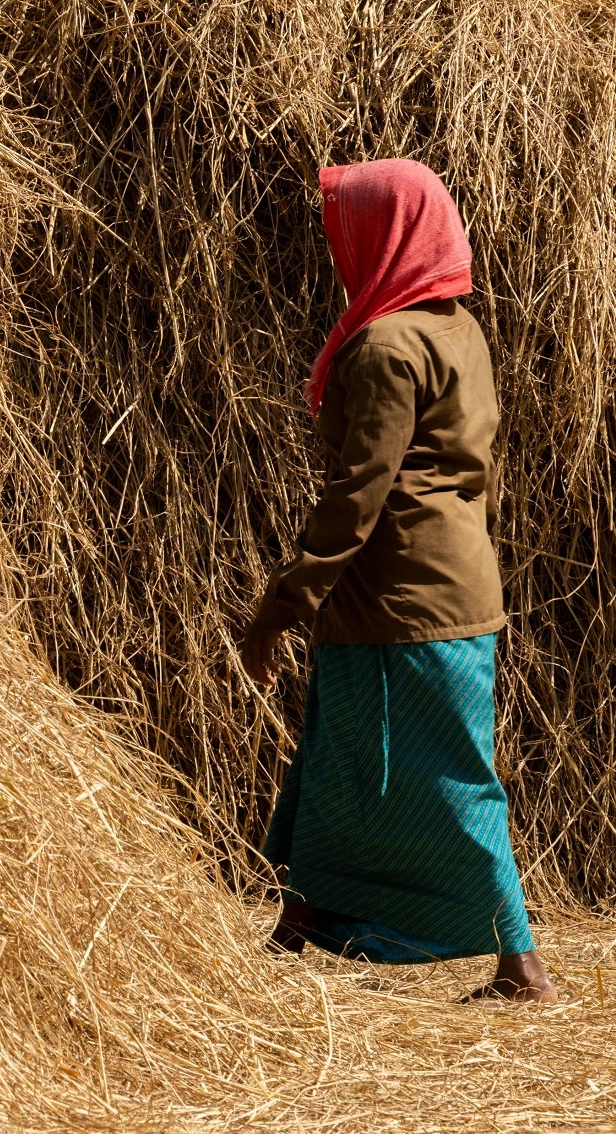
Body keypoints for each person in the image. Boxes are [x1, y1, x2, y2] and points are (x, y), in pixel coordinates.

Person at [239, 158, 555, 1003]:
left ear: (389, 235)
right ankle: (296, 927)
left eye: (349, 232)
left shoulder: (386, 346)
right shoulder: (458, 330)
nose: (339, 250)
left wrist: (280, 607)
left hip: (405, 602)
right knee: (341, 763)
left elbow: (358, 494)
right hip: (431, 592)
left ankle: (522, 966)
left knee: (450, 777)